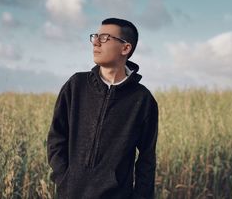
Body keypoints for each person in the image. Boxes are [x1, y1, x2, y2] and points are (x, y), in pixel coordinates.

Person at [47, 18, 159, 199]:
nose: (96, 42)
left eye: (105, 37)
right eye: (95, 36)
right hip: (71, 193)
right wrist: (65, 179)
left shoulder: (143, 99)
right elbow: (56, 137)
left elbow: (147, 160)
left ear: (125, 48)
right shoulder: (76, 85)